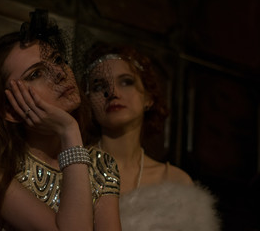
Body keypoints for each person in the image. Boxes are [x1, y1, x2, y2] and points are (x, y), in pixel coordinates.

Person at [0, 10, 121, 231]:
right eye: (35, 74)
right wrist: (69, 130)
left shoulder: (101, 165)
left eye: (57, 60)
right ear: (8, 109)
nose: (59, 73)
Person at [82, 42, 221, 231]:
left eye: (126, 82)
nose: (113, 93)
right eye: (99, 86)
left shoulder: (175, 182)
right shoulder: (71, 168)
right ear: (89, 101)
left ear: (148, 97)